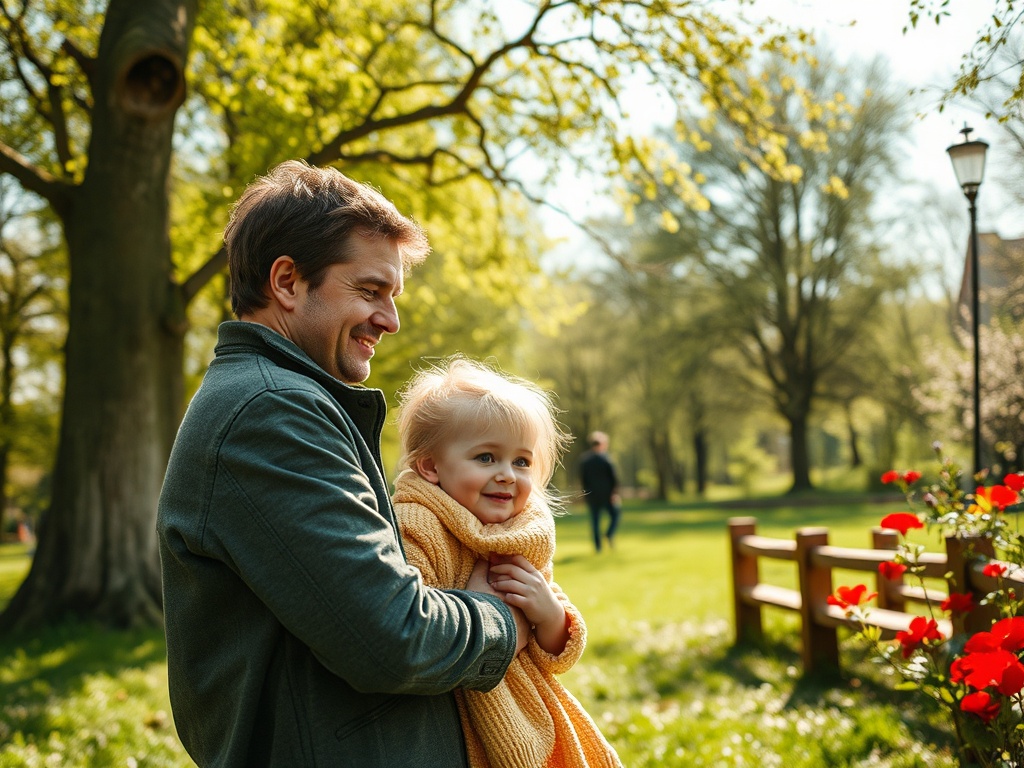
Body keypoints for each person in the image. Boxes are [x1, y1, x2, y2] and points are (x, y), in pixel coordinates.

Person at [157, 161, 530, 767]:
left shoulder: (283, 400)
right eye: (369, 291)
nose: (390, 319)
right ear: (287, 281)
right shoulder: (269, 412)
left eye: (393, 295)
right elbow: (392, 636)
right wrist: (502, 616)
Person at [392, 357, 621, 768]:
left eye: (521, 462)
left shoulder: (523, 533)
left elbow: (553, 652)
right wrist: (478, 610)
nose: (507, 475)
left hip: (529, 704)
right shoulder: (416, 524)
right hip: (448, 714)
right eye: (485, 458)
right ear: (430, 466)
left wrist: (550, 615)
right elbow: (413, 621)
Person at [578, 432, 621, 553]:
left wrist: (584, 494)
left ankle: (598, 548)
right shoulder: (606, 459)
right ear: (602, 444)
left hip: (592, 496)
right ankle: (609, 534)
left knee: (595, 522)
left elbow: (583, 480)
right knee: (615, 515)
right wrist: (614, 494)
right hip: (607, 495)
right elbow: (613, 478)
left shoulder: (585, 461)